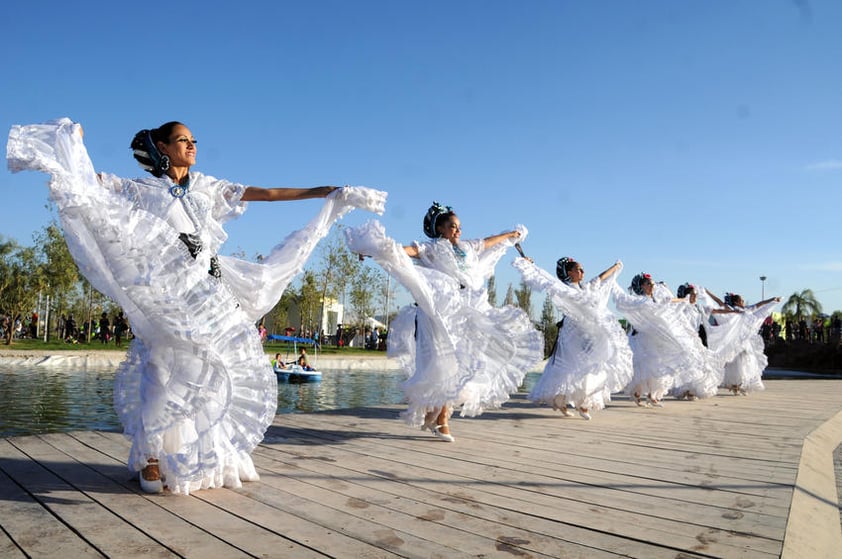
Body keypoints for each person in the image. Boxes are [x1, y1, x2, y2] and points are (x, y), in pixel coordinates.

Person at [7, 118, 385, 494]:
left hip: (207, 291)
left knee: (208, 367)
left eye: (193, 140)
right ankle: (151, 458)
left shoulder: (208, 187)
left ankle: (198, 454)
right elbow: (90, 185)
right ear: (162, 148)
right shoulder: (139, 189)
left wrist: (323, 191)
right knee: (160, 364)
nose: (192, 146)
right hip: (164, 291)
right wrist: (73, 145)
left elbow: (267, 193)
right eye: (182, 140)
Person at [345, 201, 544, 442]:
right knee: (443, 361)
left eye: (459, 226)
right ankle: (441, 420)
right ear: (441, 228)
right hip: (439, 311)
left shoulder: (468, 247)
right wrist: (373, 249)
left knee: (466, 360)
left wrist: (511, 235)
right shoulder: (430, 248)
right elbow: (402, 251)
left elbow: (491, 241)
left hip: (466, 308)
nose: (458, 230)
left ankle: (440, 416)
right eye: (453, 226)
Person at [513, 256, 633, 420]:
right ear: (569, 273)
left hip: (588, 333)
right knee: (569, 367)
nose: (582, 272)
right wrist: (530, 265)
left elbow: (601, 278)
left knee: (595, 363)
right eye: (578, 269)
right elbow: (546, 278)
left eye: (582, 269)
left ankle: (581, 401)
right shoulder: (565, 289)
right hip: (571, 333)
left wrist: (616, 266)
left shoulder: (586, 288)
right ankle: (566, 402)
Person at [613, 273, 716, 407]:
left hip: (658, 339)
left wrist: (684, 300)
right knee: (646, 368)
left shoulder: (657, 299)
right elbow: (630, 307)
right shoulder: (641, 301)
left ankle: (653, 395)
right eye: (648, 284)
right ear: (642, 286)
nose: (651, 286)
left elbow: (670, 300)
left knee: (661, 366)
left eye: (652, 284)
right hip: (644, 339)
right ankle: (637, 392)